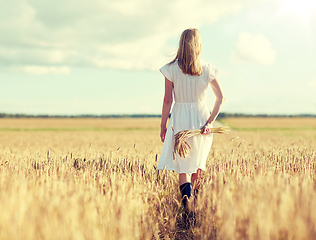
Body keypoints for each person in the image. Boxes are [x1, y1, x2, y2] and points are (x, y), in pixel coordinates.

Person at [157, 28, 225, 209]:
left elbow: (167, 100)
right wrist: (209, 122)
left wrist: (163, 125)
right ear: (198, 45)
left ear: (181, 44)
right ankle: (195, 204)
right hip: (201, 120)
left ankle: (186, 205)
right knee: (197, 165)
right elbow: (221, 98)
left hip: (180, 119)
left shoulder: (170, 69)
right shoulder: (207, 69)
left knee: (183, 167)